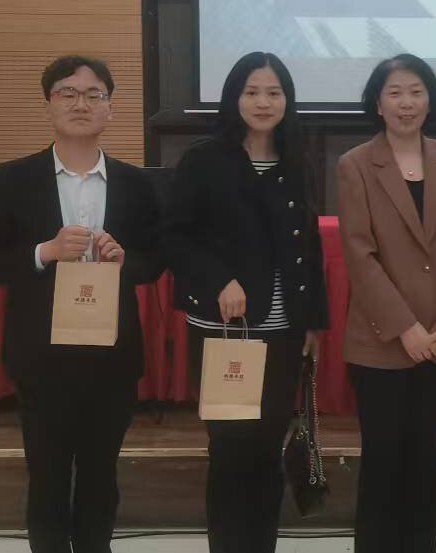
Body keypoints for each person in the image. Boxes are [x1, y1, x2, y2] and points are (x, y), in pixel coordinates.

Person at [0, 55, 162, 553]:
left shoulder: (136, 183)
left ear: (110, 109)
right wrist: (46, 251)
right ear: (48, 105)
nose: (81, 104)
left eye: (94, 95)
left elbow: (155, 261)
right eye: (68, 94)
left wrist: (125, 260)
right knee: (48, 477)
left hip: (112, 356)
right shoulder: (14, 179)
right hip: (41, 357)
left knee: (101, 477)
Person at [162, 52, 328, 553]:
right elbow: (175, 236)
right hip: (225, 330)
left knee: (266, 450)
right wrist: (219, 281)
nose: (263, 102)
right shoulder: (204, 160)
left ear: (287, 101)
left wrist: (312, 323)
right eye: (252, 92)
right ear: (234, 97)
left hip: (282, 331)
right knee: (231, 451)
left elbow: (309, 248)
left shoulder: (296, 160)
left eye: (274, 93)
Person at [336, 54, 436, 553]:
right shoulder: (355, 164)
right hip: (381, 343)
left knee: (424, 462)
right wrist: (405, 327)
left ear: (429, 100)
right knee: (383, 464)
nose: (406, 103)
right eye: (395, 92)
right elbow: (359, 254)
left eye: (416, 92)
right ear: (377, 103)